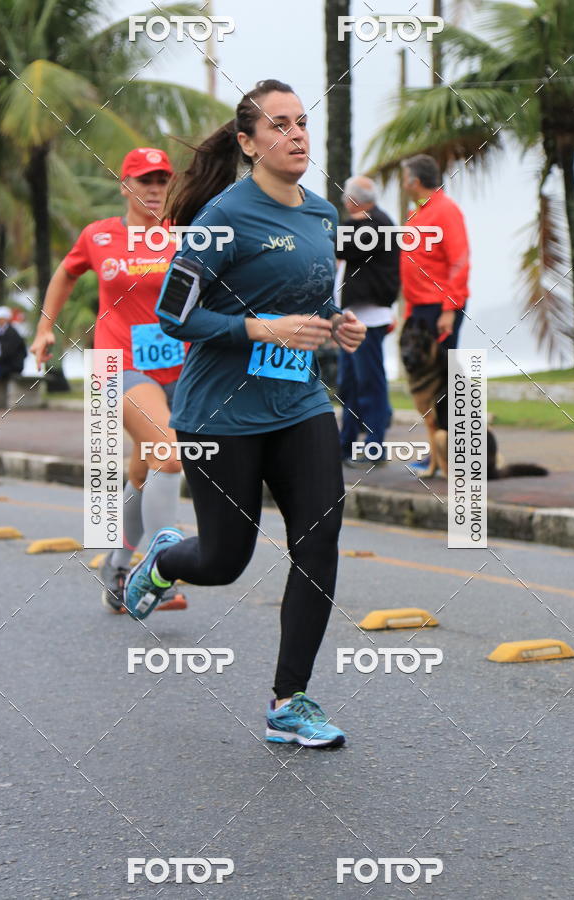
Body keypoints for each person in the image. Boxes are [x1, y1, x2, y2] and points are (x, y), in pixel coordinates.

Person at [124, 79, 366, 748]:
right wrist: (260, 330)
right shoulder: (223, 218)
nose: (297, 135)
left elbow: (307, 303)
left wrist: (334, 326)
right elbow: (173, 314)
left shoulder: (321, 214)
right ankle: (167, 558)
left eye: (302, 122)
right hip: (220, 415)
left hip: (300, 403)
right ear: (248, 143)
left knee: (316, 540)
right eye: (280, 125)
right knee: (226, 559)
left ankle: (290, 701)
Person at [30, 148, 188, 613]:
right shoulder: (99, 236)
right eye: (145, 181)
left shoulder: (184, 234)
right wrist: (44, 328)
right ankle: (163, 570)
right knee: (168, 456)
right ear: (125, 186)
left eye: (162, 180)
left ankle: (118, 568)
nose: (155, 189)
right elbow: (65, 273)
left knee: (144, 471)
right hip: (118, 367)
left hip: (180, 371)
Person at [399, 154, 470, 476]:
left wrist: (448, 310)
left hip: (440, 308)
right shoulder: (420, 212)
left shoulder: (446, 210)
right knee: (428, 387)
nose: (403, 184)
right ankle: (437, 455)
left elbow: (458, 261)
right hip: (420, 311)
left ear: (414, 181)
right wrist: (411, 313)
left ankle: (458, 455)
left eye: (405, 179)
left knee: (448, 382)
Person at [335, 175, 400, 466]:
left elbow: (340, 246)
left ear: (352, 201)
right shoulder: (369, 222)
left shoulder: (376, 224)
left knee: (369, 383)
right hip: (354, 317)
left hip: (369, 318)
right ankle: (345, 444)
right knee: (349, 383)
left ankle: (375, 448)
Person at [0, 306, 28, 407]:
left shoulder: (12, 333)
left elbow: (8, 354)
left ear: (5, 319)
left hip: (11, 366)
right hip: (1, 365)